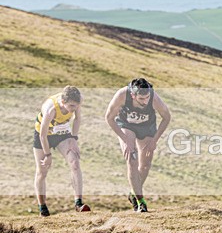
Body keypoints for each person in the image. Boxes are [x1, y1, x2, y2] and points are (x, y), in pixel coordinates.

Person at [105, 78, 172, 212]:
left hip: (147, 127)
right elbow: (109, 118)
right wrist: (124, 139)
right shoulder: (122, 95)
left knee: (145, 164)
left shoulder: (153, 98)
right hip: (127, 126)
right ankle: (140, 201)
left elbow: (167, 117)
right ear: (133, 95)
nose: (145, 101)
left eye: (147, 98)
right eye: (141, 99)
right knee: (132, 159)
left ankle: (133, 192)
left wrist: (154, 140)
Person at [33, 86, 90, 216]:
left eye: (76, 106)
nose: (74, 108)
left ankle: (78, 203)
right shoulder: (51, 109)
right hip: (43, 135)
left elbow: (77, 118)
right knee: (42, 171)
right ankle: (43, 207)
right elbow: (42, 135)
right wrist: (47, 155)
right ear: (63, 102)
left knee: (75, 162)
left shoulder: (77, 101)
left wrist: (74, 139)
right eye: (71, 106)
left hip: (62, 134)